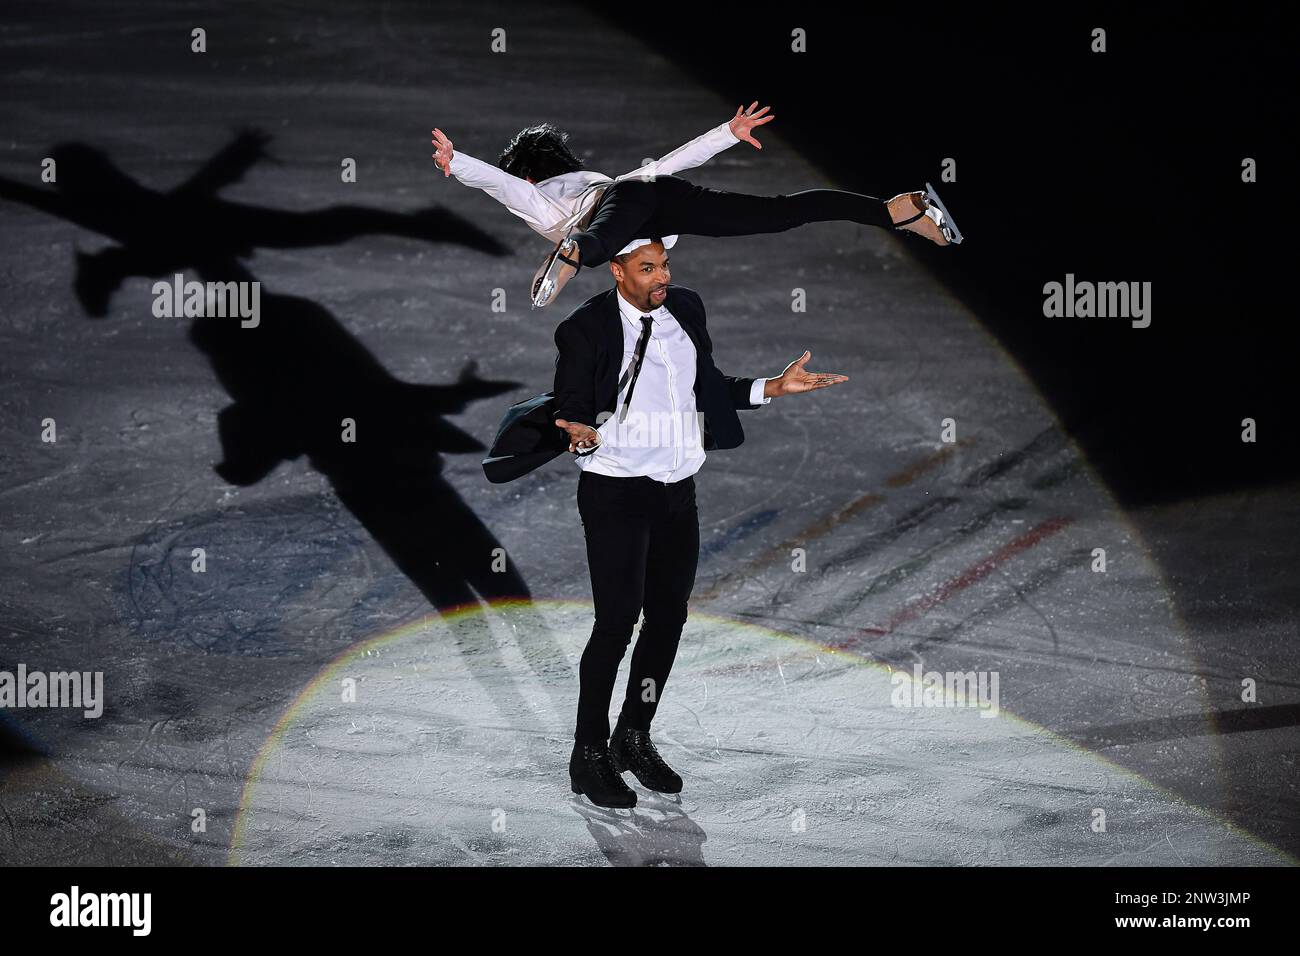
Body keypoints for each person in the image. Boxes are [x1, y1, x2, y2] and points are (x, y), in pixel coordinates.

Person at [547, 237, 848, 808]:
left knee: (667, 618)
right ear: (616, 271)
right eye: (646, 268)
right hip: (617, 493)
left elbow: (705, 387)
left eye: (664, 264)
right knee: (616, 625)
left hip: (676, 493)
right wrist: (578, 429)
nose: (661, 277)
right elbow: (570, 405)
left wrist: (771, 388)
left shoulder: (685, 308)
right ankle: (587, 756)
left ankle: (632, 735)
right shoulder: (584, 329)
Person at [431, 103, 960, 307]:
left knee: (592, 243)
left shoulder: (547, 202)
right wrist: (725, 133)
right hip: (655, 194)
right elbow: (665, 167)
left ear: (529, 171)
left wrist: (461, 165)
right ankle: (896, 210)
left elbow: (509, 190)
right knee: (779, 213)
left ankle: (576, 256)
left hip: (624, 207)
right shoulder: (596, 178)